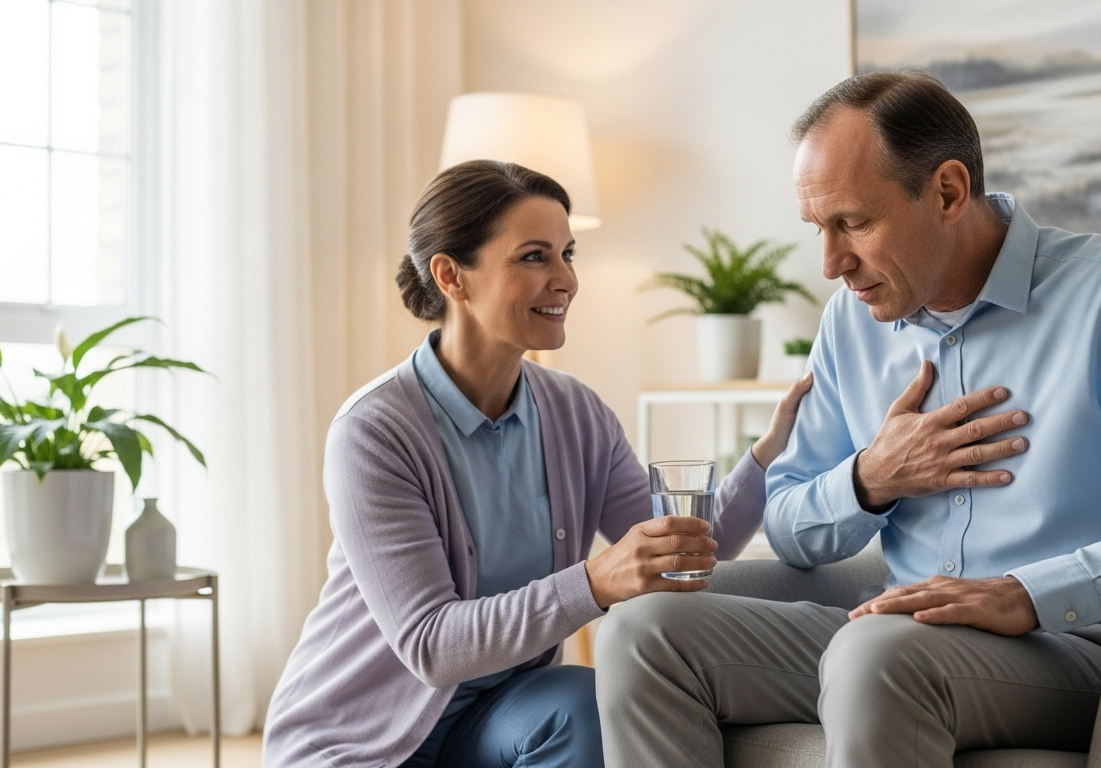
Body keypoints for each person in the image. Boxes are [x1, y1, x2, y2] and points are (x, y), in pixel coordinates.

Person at [594, 71, 1101, 767]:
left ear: (949, 191)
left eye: (855, 223)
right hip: (892, 636)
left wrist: (1030, 592)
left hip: (1072, 649)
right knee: (640, 632)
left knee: (876, 653)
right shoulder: (852, 322)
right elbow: (789, 525)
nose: (832, 262)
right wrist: (871, 478)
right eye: (819, 228)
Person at [262, 159, 813, 768]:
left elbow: (681, 548)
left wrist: (771, 451)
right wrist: (597, 581)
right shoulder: (374, 431)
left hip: (499, 714)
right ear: (451, 276)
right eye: (534, 256)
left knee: (586, 703)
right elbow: (431, 646)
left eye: (567, 254)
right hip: (363, 738)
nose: (567, 279)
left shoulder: (576, 412)